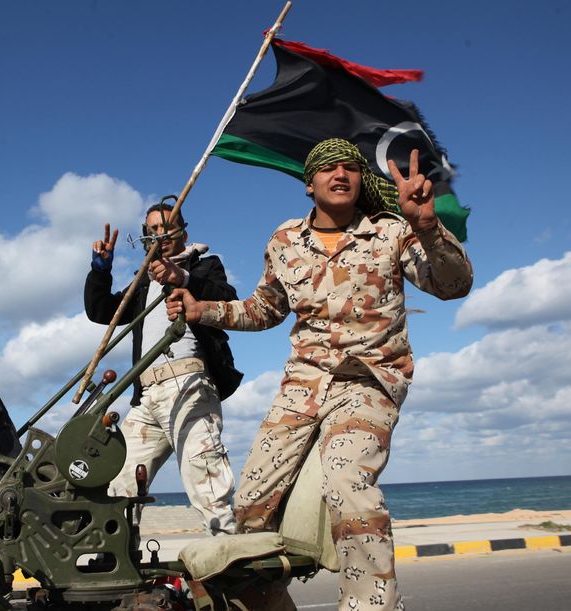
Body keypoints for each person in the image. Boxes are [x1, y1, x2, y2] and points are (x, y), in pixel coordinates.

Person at [166, 139, 473, 610]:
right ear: (309, 184)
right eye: (328, 167)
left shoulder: (393, 231)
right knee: (251, 508)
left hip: (368, 380)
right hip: (302, 385)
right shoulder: (285, 241)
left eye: (350, 166)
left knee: (348, 485)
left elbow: (453, 285)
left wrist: (427, 225)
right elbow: (264, 308)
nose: (341, 173)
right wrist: (201, 308)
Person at [84, 202, 243, 535]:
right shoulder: (143, 282)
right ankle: (113, 565)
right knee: (118, 484)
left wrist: (182, 277)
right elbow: (103, 312)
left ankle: (231, 562)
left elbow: (227, 298)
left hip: (190, 386)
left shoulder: (204, 267)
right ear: (145, 236)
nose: (161, 234)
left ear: (183, 230)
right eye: (153, 229)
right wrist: (101, 270)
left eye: (167, 226)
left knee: (207, 484)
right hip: (146, 397)